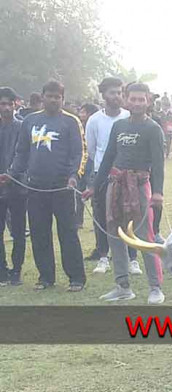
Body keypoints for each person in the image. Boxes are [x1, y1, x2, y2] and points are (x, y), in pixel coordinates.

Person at [84, 83, 165, 304]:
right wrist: (94, 186)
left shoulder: (153, 128)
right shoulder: (118, 126)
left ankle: (155, 287)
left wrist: (157, 193)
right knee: (115, 234)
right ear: (127, 100)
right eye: (134, 99)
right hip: (115, 184)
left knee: (144, 237)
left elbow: (158, 164)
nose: (138, 103)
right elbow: (109, 157)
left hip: (139, 186)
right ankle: (122, 286)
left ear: (148, 101)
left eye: (142, 99)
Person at [4, 80, 86, 292]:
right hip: (35, 188)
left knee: (67, 233)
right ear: (42, 97)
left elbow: (79, 153)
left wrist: (74, 176)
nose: (53, 99)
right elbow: (21, 153)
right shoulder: (29, 121)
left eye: (57, 96)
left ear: (62, 99)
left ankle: (76, 278)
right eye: (49, 96)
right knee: (40, 233)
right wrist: (12, 174)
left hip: (62, 188)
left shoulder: (71, 122)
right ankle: (46, 277)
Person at [85, 77, 131, 273]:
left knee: (127, 215)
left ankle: (130, 257)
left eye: (120, 92)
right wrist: (103, 170)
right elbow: (93, 150)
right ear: (103, 95)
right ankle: (103, 256)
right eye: (113, 92)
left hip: (126, 173)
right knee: (102, 215)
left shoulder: (129, 116)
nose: (117, 96)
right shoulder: (94, 120)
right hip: (102, 174)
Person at [0, 87, 27, 286]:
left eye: (9, 104)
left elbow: (24, 155)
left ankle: (16, 271)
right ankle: (2, 271)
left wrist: (12, 174)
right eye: (3, 104)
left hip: (17, 186)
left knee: (18, 232)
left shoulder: (22, 127)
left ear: (15, 104)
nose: (6, 108)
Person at [76, 103, 99, 229]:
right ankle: (78, 221)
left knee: (94, 194)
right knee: (78, 193)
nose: (81, 114)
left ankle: (97, 222)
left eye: (83, 112)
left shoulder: (95, 126)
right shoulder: (78, 127)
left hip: (92, 163)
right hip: (81, 164)